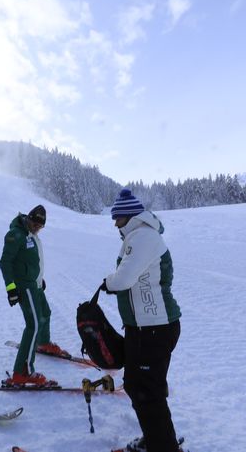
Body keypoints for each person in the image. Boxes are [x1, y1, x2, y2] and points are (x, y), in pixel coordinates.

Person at [101, 189, 183, 452]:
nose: (115, 224)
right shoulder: (139, 235)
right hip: (146, 327)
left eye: (118, 218)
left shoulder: (143, 236)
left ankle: (164, 447)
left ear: (129, 216)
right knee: (142, 387)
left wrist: (108, 282)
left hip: (154, 328)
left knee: (145, 390)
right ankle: (157, 438)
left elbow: (124, 278)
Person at [0, 204, 65, 387]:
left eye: (40, 226)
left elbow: (31, 261)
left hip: (34, 284)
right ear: (28, 218)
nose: (37, 228)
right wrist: (11, 289)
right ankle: (22, 372)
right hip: (24, 286)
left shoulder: (32, 235)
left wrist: (38, 278)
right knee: (33, 324)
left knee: (45, 313)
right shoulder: (16, 235)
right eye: (35, 223)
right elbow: (5, 262)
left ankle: (43, 343)